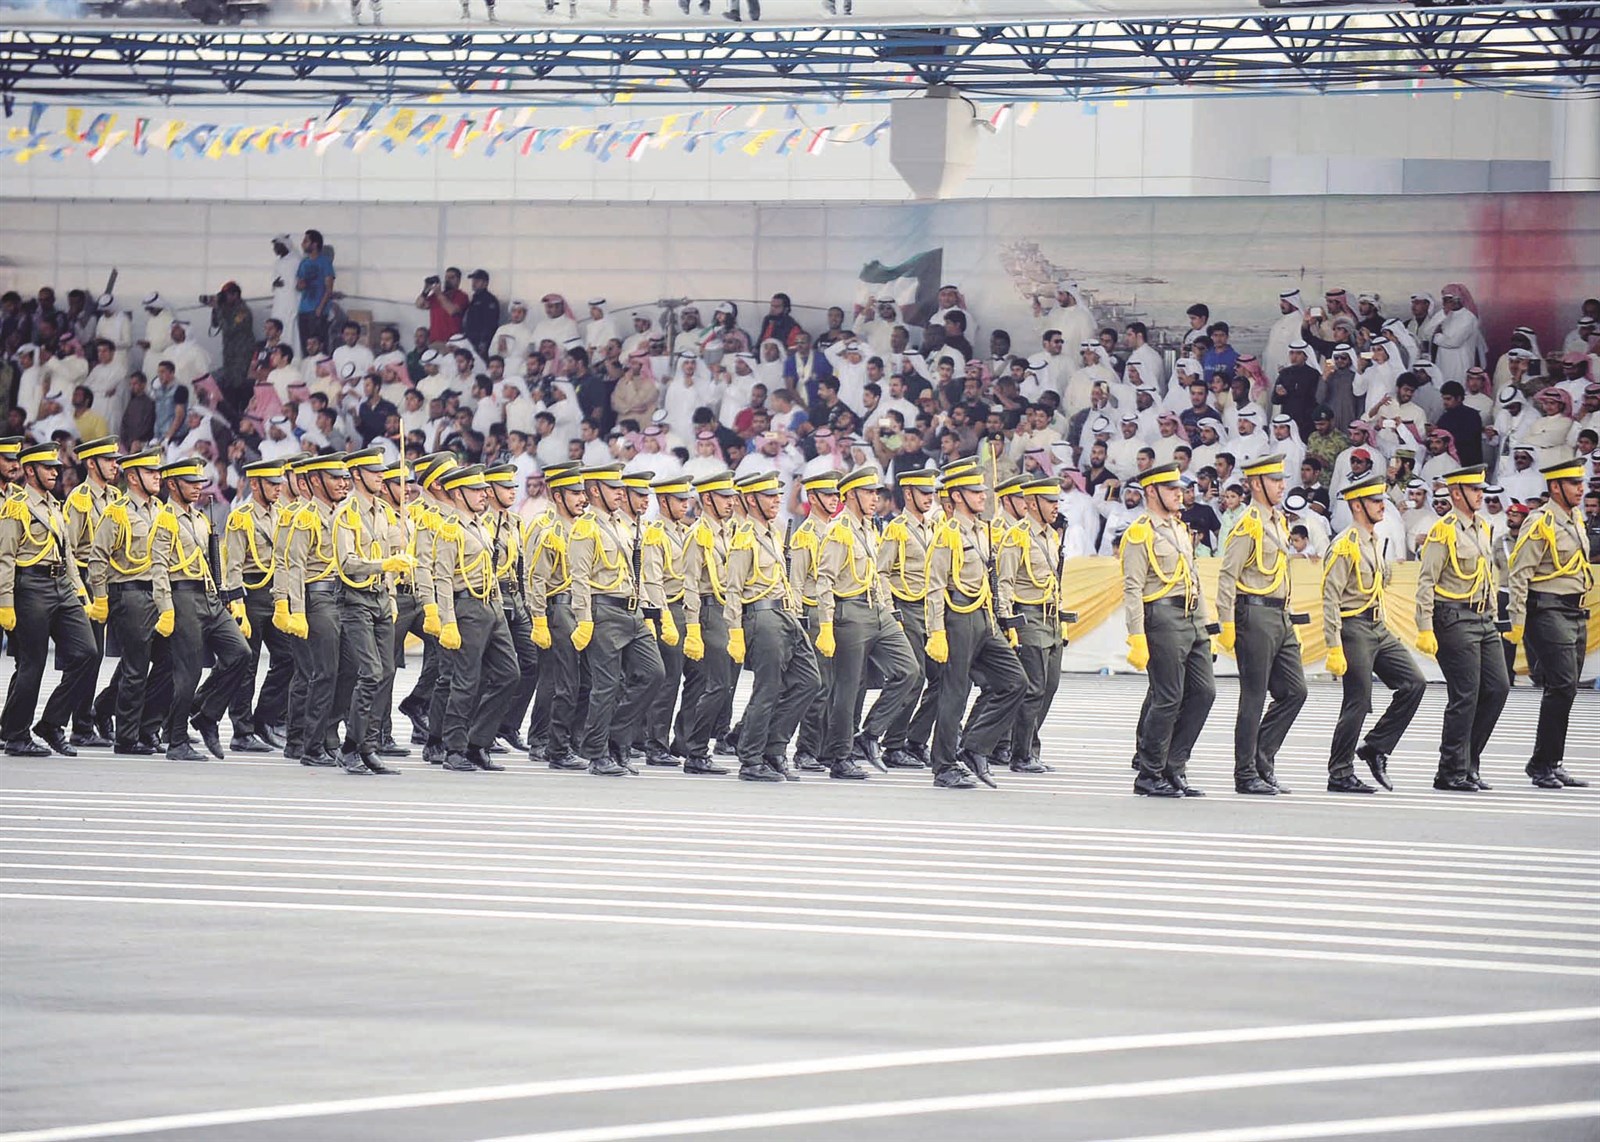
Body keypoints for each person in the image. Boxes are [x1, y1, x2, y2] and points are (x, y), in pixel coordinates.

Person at [923, 465, 1027, 789]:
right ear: (957, 496)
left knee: (1015, 681)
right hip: (958, 617)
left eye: (983, 490)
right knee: (954, 693)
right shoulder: (948, 533)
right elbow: (935, 586)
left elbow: (991, 580)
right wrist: (936, 631)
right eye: (975, 491)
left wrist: (1001, 620)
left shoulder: (983, 531)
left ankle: (975, 747)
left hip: (984, 618)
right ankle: (943, 767)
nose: (983, 495)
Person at [1320, 475, 1426, 793]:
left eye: (1383, 500)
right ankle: (1339, 772)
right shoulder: (1344, 546)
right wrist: (1333, 645)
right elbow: (1330, 598)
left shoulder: (1374, 540)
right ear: (1357, 505)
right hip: (1353, 628)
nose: (1383, 506)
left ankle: (1376, 747)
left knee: (1414, 683)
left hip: (1378, 626)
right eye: (1376, 501)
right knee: (1358, 700)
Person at [813, 466, 919, 779]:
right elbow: (824, 580)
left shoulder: (869, 528)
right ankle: (840, 756)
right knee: (847, 689)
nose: (875, 499)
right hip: (849, 612)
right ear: (851, 495)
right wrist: (826, 625)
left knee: (909, 670)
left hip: (876, 610)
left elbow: (876, 577)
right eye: (869, 493)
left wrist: (889, 613)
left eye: (876, 493)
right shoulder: (840, 530)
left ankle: (870, 735)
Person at [1121, 462, 1217, 797]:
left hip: (1190, 617)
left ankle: (1175, 765)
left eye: (1181, 488)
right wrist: (1136, 635)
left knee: (1205, 692)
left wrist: (1205, 624)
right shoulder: (1140, 532)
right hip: (1161, 618)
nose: (1181, 494)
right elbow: (1132, 588)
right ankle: (1149, 772)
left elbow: (1193, 577)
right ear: (1151, 491)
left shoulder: (1178, 527)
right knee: (1168, 697)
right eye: (1172, 489)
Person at [148, 456, 251, 762]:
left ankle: (206, 715)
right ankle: (177, 741)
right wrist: (165, 608)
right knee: (188, 673)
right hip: (182, 599)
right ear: (172, 485)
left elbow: (212, 562)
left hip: (208, 598)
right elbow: (158, 568)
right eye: (190, 483)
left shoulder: (199, 518)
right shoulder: (166, 519)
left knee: (240, 654)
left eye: (199, 483)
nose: (197, 488)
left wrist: (229, 598)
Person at [0, 442, 98, 757]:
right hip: (30, 587)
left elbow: (67, 552)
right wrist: (5, 602)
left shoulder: (54, 505)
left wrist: (79, 591)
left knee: (87, 653)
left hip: (61, 586)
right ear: (30, 471)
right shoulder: (16, 505)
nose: (55, 472)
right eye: (48, 468)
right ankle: (16, 735)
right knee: (33, 664)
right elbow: (5, 558)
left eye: (56, 467)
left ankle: (51, 722)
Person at [1414, 464, 1508, 791]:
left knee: (1498, 688)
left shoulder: (1482, 526)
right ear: (1457, 493)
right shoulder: (1444, 530)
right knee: (1465, 694)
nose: (1481, 495)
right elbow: (1426, 581)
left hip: (1482, 617)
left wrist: (1494, 613)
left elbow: (1486, 574)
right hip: (1453, 617)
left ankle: (1469, 761)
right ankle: (1451, 769)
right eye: (1475, 490)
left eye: (1482, 489)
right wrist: (1424, 626)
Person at [566, 463, 664, 776]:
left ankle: (615, 737)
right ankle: (597, 753)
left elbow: (638, 572)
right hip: (604, 611)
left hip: (631, 611)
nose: (621, 493)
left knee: (654, 674)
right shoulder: (586, 527)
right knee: (606, 687)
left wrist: (647, 611)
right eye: (613, 488)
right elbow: (579, 577)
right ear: (595, 491)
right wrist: (583, 618)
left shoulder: (621, 525)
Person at [1215, 453, 1305, 795]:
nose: (1282, 485)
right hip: (1253, 613)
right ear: (1255, 484)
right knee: (1253, 696)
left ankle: (1262, 756)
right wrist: (1226, 621)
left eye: (1282, 479)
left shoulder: (1278, 521)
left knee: (1295, 691)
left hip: (1279, 614)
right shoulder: (1248, 523)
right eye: (1274, 480)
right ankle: (1245, 772)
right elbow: (1228, 574)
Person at [723, 471, 821, 781]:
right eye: (769, 496)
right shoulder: (744, 538)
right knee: (767, 690)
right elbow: (733, 590)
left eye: (778, 495)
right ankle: (751, 758)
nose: (776, 500)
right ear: (751, 500)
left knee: (809, 681)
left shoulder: (773, 532)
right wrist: (735, 632)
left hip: (785, 614)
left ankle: (774, 747)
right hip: (761, 617)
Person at [1505, 459, 1593, 789]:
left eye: (1581, 482)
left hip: (1574, 610)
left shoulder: (1574, 518)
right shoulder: (1540, 522)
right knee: (1563, 684)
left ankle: (1550, 761)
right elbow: (1520, 573)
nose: (1581, 488)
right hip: (1547, 610)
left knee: (1565, 690)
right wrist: (1518, 620)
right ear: (1555, 487)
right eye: (1574, 483)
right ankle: (1541, 763)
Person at [432, 463, 520, 773]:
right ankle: (454, 749)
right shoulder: (449, 528)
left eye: (484, 489)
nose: (484, 495)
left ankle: (477, 740)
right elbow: (441, 577)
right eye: (476, 490)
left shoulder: (481, 525)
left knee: (510, 674)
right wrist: (447, 621)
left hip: (491, 604)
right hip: (466, 608)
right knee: (466, 681)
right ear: (457, 493)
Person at [328, 449, 410, 775]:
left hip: (379, 598)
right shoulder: (346, 515)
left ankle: (365, 745)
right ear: (357, 475)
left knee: (386, 673)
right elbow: (347, 562)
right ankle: (354, 747)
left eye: (382, 473)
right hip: (355, 599)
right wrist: (384, 564)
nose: (381, 477)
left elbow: (396, 547)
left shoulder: (384, 512)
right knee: (371, 672)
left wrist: (405, 532)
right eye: (374, 472)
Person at [278, 452, 351, 768]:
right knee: (323, 673)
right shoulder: (305, 516)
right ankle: (311, 745)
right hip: (316, 598)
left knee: (351, 668)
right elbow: (291, 565)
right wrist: (293, 609)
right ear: (316, 481)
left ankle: (326, 735)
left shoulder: (345, 515)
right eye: (335, 478)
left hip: (342, 597)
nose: (342, 483)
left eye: (343, 477)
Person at [996, 478, 1072, 774]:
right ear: (1031, 503)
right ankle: (1021, 753)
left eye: (1056, 501)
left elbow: (1054, 579)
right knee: (1034, 688)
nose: (1056, 506)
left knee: (1049, 686)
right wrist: (1007, 623)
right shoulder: (1017, 536)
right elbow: (1004, 582)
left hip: (1050, 617)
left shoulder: (1049, 537)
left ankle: (1029, 747)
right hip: (1028, 617)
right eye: (1049, 501)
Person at [220, 458, 293, 754]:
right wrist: (236, 604)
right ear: (255, 484)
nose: (278, 489)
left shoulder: (283, 514)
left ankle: (265, 718)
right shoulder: (241, 517)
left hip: (275, 594)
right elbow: (233, 565)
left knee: (289, 657)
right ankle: (242, 730)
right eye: (272, 484)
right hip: (250, 595)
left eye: (279, 484)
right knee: (247, 666)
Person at [525, 463, 591, 771]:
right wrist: (538, 618)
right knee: (560, 679)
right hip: (558, 606)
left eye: (582, 492)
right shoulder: (546, 528)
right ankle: (547, 742)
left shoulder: (584, 526)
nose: (582, 498)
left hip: (581, 607)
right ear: (557, 495)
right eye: (575, 493)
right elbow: (536, 577)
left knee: (583, 680)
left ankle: (568, 739)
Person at [877, 468, 939, 769]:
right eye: (924, 493)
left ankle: (916, 739)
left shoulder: (932, 528)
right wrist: (891, 613)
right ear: (908, 494)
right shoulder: (897, 529)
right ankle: (893, 744)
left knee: (943, 680)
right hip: (908, 607)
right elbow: (881, 572)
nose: (930, 498)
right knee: (913, 677)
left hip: (931, 610)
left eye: (932, 493)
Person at [64, 436, 121, 748]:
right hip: (88, 578)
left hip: (117, 579)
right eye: (109, 460)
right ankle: (81, 726)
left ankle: (104, 708)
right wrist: (79, 591)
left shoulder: (115, 496)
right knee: (91, 655)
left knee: (138, 651)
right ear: (91, 463)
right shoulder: (80, 499)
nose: (115, 465)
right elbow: (68, 549)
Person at [639, 474, 695, 769]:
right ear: (664, 502)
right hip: (668, 610)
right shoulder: (655, 533)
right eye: (680, 500)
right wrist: (661, 617)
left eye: (687, 500)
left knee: (698, 677)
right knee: (669, 680)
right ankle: (655, 743)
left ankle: (683, 740)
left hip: (688, 610)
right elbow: (652, 579)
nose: (686, 505)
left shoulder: (685, 532)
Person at [483, 463, 538, 754]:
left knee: (531, 662)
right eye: (507, 487)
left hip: (515, 597)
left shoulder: (514, 522)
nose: (512, 492)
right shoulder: (482, 523)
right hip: (493, 597)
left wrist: (527, 602)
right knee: (496, 669)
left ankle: (508, 724)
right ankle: (484, 729)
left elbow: (521, 565)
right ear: (490, 491)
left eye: (514, 487)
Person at [294, 230, 335, 352]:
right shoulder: (304, 263)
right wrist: (300, 285)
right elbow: (298, 287)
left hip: (317, 311)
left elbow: (329, 289)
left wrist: (320, 308)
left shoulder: (325, 262)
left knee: (319, 345)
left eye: (306, 241)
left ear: (315, 244)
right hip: (303, 309)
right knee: (305, 345)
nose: (302, 244)